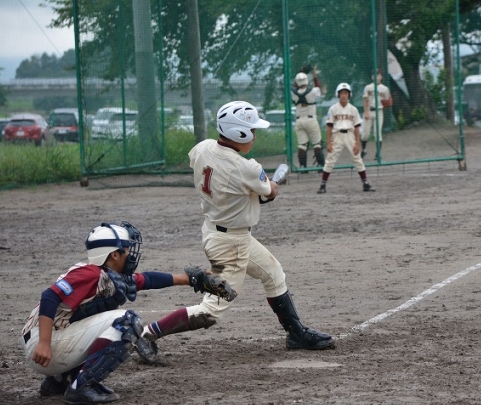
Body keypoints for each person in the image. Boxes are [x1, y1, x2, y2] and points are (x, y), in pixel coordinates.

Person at [134, 101, 335, 365]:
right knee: (211, 310)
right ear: (238, 132)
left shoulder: (203, 147)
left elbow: (224, 179)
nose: (255, 135)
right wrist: (271, 185)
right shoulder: (246, 168)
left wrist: (249, 191)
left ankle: (296, 333)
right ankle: (147, 334)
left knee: (273, 273)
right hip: (231, 244)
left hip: (219, 231)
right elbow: (269, 192)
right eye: (252, 131)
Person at [20, 221, 223, 405]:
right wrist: (44, 343)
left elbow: (146, 279)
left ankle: (59, 381)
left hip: (50, 342)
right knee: (126, 322)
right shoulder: (89, 273)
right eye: (126, 249)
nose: (130, 254)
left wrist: (189, 279)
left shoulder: (106, 275)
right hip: (44, 345)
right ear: (114, 255)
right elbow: (49, 297)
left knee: (101, 322)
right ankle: (81, 387)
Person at [317, 83, 375, 194]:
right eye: (342, 93)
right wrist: (328, 142)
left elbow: (357, 127)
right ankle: (322, 185)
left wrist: (357, 143)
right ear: (338, 95)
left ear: (349, 95)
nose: (344, 95)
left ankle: (365, 183)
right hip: (337, 135)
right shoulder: (333, 109)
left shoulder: (353, 109)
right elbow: (329, 126)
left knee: (357, 159)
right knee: (330, 160)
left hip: (350, 135)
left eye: (346, 93)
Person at [291, 66, 325, 169]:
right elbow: (318, 87)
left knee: (302, 145)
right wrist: (314, 76)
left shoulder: (293, 92)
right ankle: (320, 165)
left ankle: (303, 167)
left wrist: (300, 73)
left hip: (299, 121)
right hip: (311, 120)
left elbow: (296, 85)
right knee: (317, 144)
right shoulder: (312, 91)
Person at [360, 70, 392, 158]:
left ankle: (378, 153)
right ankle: (364, 150)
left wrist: (387, 102)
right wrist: (366, 112)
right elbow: (365, 100)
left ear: (381, 77)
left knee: (377, 134)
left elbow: (388, 101)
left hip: (379, 111)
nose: (375, 76)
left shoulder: (385, 89)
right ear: (372, 77)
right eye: (374, 74)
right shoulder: (367, 87)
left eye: (378, 75)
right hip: (369, 110)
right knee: (365, 134)